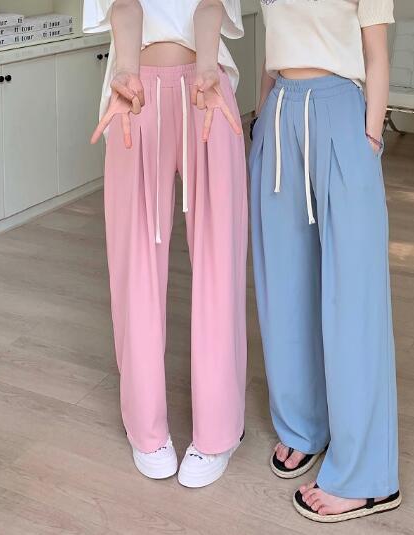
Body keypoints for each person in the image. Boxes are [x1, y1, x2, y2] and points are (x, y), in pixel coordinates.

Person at [83, 0, 247, 488]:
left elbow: (212, 6)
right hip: (135, 95)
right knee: (134, 261)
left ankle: (218, 432)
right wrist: (127, 70)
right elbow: (124, 6)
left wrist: (205, 67)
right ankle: (146, 428)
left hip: (206, 90)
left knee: (219, 259)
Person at [249, 0, 401, 522]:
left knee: (353, 296)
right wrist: (260, 120)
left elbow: (376, 56)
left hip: (341, 113)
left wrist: (371, 139)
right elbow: (271, 50)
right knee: (285, 284)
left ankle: (366, 476)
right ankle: (303, 426)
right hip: (279, 112)